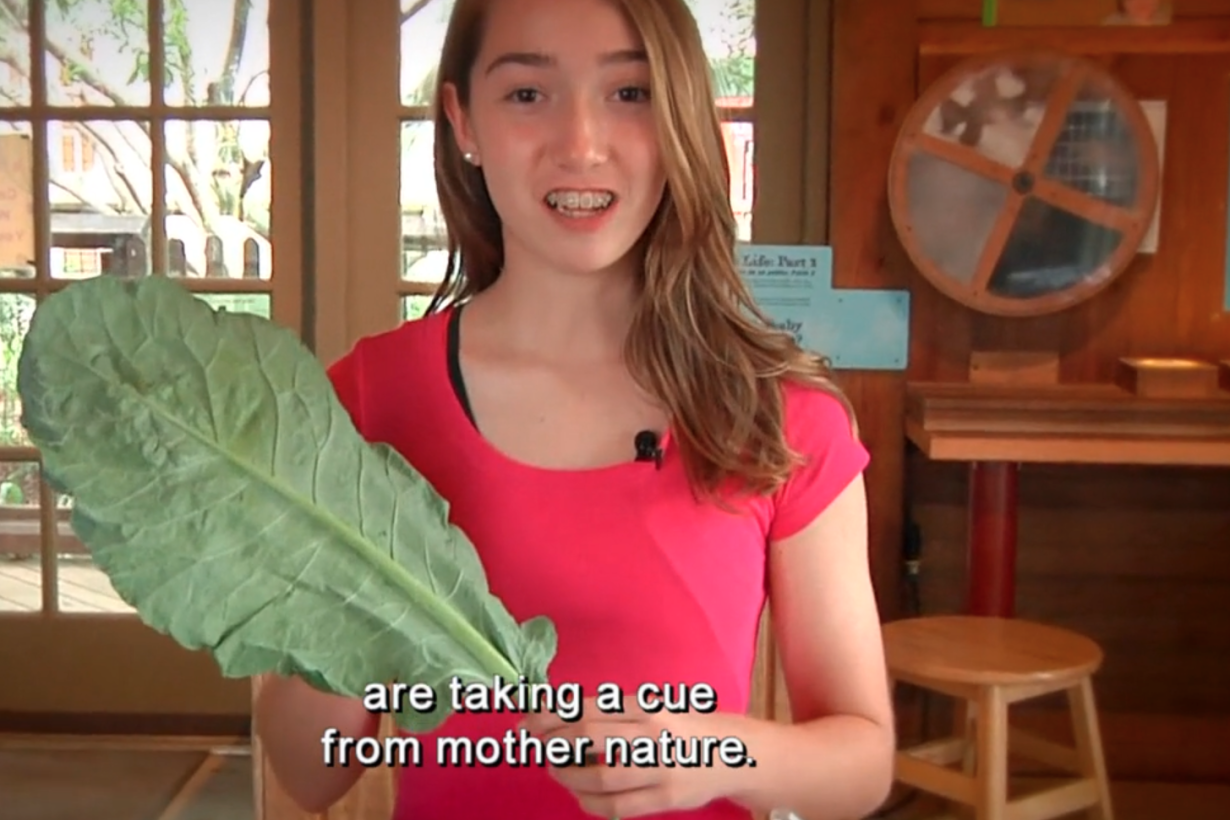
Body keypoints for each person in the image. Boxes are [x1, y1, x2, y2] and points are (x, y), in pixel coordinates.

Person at [253, 0, 895, 817]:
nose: (581, 144)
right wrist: (347, 597)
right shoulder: (368, 400)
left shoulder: (783, 413)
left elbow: (863, 762)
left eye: (630, 94)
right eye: (528, 94)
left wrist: (720, 754)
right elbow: (310, 775)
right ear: (463, 121)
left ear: (681, 119)